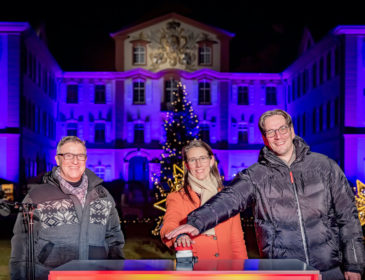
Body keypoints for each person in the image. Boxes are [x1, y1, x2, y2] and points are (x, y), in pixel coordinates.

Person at [166, 109, 365, 280]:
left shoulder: (325, 166)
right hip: (284, 271)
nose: (278, 136)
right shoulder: (256, 175)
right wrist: (196, 221)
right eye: (270, 132)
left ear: (292, 130)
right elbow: (228, 199)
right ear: (264, 138)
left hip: (329, 270)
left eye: (282, 129)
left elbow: (347, 217)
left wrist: (354, 264)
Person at [10, 136, 125, 280]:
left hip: (96, 275)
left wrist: (115, 272)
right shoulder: (37, 196)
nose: (75, 161)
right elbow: (22, 244)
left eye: (80, 156)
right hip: (50, 276)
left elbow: (114, 240)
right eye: (68, 156)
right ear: (58, 160)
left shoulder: (103, 196)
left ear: (85, 159)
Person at [160, 139, 247, 260]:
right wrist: (179, 236)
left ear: (211, 161)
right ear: (187, 165)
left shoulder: (228, 196)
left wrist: (243, 271)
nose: (198, 164)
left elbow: (237, 241)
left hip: (226, 270)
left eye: (202, 158)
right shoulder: (177, 197)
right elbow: (169, 225)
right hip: (196, 270)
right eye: (192, 160)